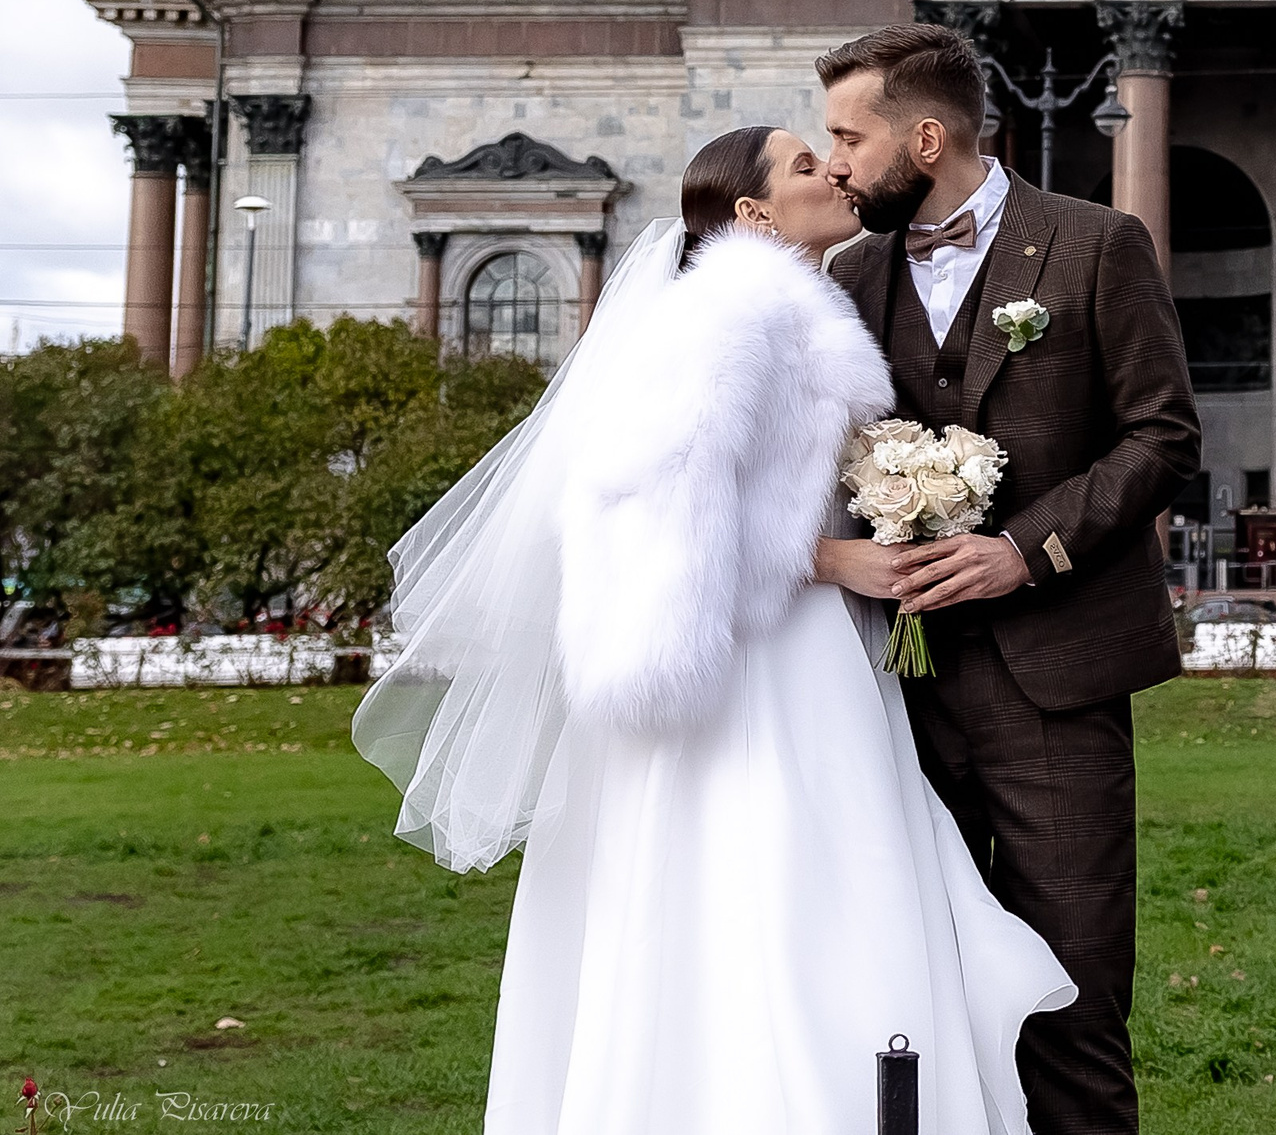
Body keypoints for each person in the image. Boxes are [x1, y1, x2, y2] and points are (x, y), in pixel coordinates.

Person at [353, 125, 1074, 1134]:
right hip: (759, 658)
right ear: (751, 212)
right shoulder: (732, 316)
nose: (835, 170)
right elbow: (662, 518)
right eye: (806, 164)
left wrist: (900, 499)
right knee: (780, 882)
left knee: (823, 880)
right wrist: (835, 559)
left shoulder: (795, 310)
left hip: (810, 649)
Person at [813, 22, 1200, 1135]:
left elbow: (1163, 438)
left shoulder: (1094, 243)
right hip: (893, 695)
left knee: (1072, 997)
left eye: (851, 136)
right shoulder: (851, 271)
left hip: (1058, 688)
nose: (835, 161)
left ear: (924, 137)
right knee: (912, 995)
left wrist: (1023, 551)